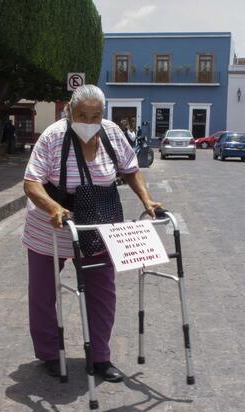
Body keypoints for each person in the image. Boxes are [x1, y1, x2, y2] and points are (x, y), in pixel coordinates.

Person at [22, 84, 162, 382]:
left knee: (102, 292)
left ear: (104, 114)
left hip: (97, 221)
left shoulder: (112, 133)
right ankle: (49, 353)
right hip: (53, 224)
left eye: (95, 115)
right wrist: (53, 208)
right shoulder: (53, 137)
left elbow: (130, 169)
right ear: (69, 111)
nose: (88, 121)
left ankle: (100, 356)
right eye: (82, 115)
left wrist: (147, 200)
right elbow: (32, 183)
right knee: (44, 293)